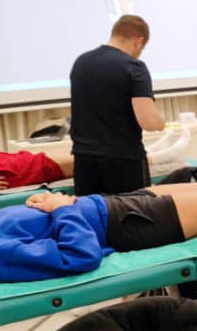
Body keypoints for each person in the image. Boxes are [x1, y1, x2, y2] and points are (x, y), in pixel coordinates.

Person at [0, 180, 197, 283]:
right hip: (125, 224)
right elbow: (79, 255)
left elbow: (32, 229)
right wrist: (61, 209)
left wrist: (42, 203)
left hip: (110, 205)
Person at [70, 15, 166, 196]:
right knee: (132, 212)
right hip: (123, 161)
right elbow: (148, 121)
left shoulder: (81, 62)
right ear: (139, 42)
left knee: (91, 212)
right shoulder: (133, 67)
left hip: (84, 160)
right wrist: (162, 123)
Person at [0, 128, 190, 191]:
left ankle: (149, 151)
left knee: (80, 154)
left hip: (2, 161)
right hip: (6, 172)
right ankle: (161, 156)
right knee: (91, 160)